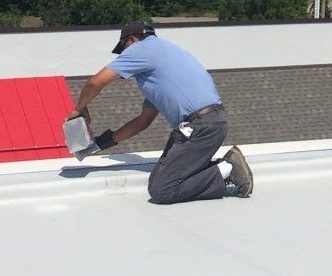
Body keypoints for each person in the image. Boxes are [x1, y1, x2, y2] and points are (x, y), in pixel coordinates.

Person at [71, 20, 252, 203]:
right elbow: (143, 122)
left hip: (199, 127)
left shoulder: (141, 49)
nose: (124, 56)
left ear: (132, 40)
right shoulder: (164, 65)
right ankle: (226, 167)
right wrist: (97, 145)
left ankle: (228, 168)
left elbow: (96, 82)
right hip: (211, 123)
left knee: (162, 190)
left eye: (123, 49)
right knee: (158, 178)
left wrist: (80, 109)